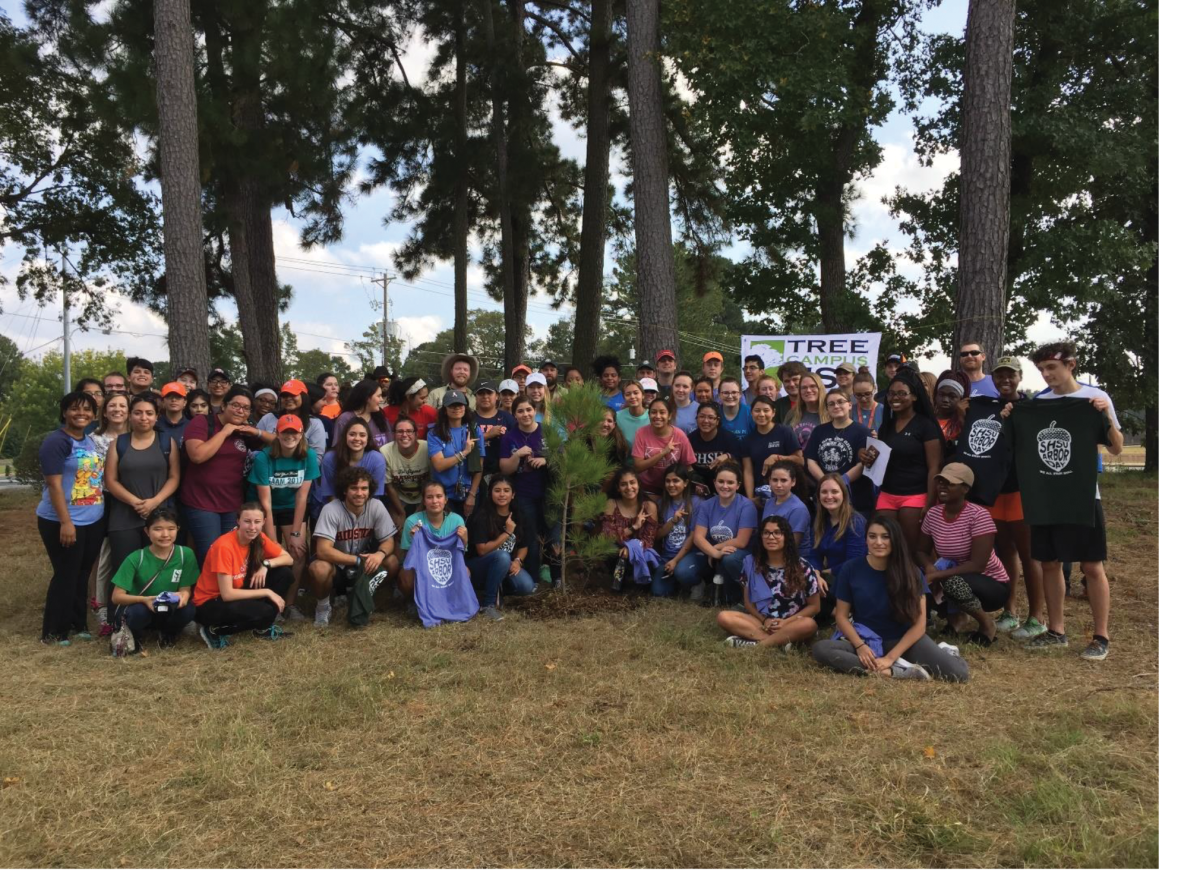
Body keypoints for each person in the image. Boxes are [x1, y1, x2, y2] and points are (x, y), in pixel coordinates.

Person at [1022, 340, 1123, 660]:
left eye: (1051, 367)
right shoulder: (1040, 402)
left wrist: (1104, 415)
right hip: (1046, 498)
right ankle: (1056, 630)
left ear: (1071, 365)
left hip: (1082, 495)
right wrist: (1014, 412)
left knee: (1092, 565)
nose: (1046, 374)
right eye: (1041, 370)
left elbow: (1116, 447)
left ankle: (1101, 636)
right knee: (1049, 563)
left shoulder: (1095, 397)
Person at [812, 515, 969, 682]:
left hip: (904, 640)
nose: (878, 542)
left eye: (885, 537)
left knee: (958, 675)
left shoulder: (911, 572)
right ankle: (896, 671)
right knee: (821, 649)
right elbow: (841, 616)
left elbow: (919, 625)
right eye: (872, 536)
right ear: (865, 539)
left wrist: (891, 657)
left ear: (895, 539)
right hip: (867, 639)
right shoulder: (850, 569)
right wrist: (860, 646)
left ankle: (943, 652)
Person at [915, 463, 1010, 646]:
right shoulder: (933, 514)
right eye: (940, 482)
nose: (942, 486)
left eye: (949, 483)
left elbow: (977, 565)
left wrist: (936, 575)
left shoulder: (978, 515)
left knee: (952, 583)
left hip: (990, 583)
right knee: (917, 576)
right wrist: (929, 567)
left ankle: (987, 626)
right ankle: (955, 620)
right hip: (951, 575)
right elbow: (920, 550)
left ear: (965, 488)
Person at [37, 392, 105, 645]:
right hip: (62, 521)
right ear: (65, 412)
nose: (82, 414)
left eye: (87, 409)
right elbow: (54, 486)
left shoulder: (88, 440)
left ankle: (78, 624)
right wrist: (66, 522)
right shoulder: (56, 441)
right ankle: (54, 631)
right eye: (75, 409)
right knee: (66, 573)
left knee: (82, 573)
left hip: (93, 518)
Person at [986, 356, 1045, 640]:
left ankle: (1037, 617)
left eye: (1010, 375)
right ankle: (1009, 611)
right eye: (999, 376)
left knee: (1029, 553)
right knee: (1005, 550)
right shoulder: (987, 408)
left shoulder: (1032, 407)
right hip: (996, 489)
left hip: (1024, 489)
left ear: (1020, 377)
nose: (1004, 380)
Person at [104, 395, 181, 598]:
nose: (143, 417)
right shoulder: (118, 444)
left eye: (149, 413)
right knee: (123, 569)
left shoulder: (167, 442)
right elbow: (110, 480)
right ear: (130, 416)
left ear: (157, 417)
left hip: (160, 517)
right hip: (124, 517)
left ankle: (160, 615)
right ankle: (119, 620)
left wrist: (155, 502)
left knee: (159, 568)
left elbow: (174, 477)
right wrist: (135, 502)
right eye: (138, 413)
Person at [861, 369, 943, 555]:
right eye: (891, 393)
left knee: (912, 551)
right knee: (886, 549)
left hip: (915, 495)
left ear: (914, 397)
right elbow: (876, 459)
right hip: (888, 494)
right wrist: (864, 455)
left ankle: (917, 584)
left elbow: (934, 467)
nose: (894, 398)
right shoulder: (886, 426)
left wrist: (929, 504)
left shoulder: (925, 426)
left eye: (901, 393)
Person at [181, 385, 265, 565]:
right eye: (235, 405)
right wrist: (226, 431)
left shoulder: (244, 431)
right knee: (211, 553)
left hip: (232, 504)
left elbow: (283, 444)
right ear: (224, 406)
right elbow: (197, 456)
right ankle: (208, 593)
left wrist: (256, 432)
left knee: (231, 552)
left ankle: (227, 593)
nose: (240, 410)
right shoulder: (202, 422)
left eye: (245, 408)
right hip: (201, 502)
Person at [192, 501, 294, 649]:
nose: (252, 527)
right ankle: (213, 630)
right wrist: (267, 591)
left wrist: (266, 565)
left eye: (257, 522)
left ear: (264, 522)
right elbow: (227, 594)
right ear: (238, 521)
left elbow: (288, 558)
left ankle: (262, 628)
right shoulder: (224, 546)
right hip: (210, 603)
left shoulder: (258, 538)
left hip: (238, 588)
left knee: (285, 574)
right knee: (265, 612)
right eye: (247, 521)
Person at [308, 466, 400, 627]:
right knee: (318, 568)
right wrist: (357, 560)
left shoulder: (376, 506)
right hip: (337, 567)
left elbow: (389, 541)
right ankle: (323, 607)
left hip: (364, 566)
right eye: (354, 488)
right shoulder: (331, 509)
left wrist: (379, 554)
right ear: (344, 490)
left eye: (364, 488)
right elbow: (322, 550)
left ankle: (362, 595)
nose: (359, 493)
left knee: (391, 562)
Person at [248, 413, 319, 621]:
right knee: (269, 554)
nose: (290, 436)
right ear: (277, 434)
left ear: (301, 435)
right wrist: (273, 543)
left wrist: (297, 533)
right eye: (285, 432)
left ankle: (290, 604)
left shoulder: (309, 456)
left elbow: (302, 497)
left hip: (290, 505)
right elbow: (265, 504)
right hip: (264, 508)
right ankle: (270, 603)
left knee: (298, 552)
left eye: (294, 432)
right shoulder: (264, 457)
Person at [717, 516, 821, 650]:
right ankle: (779, 643)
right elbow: (749, 604)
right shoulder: (751, 564)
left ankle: (757, 646)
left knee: (809, 624)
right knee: (724, 617)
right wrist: (765, 620)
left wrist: (785, 623)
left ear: (786, 537)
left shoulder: (803, 567)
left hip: (792, 622)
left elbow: (814, 607)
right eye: (766, 533)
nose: (771, 537)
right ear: (760, 537)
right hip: (762, 621)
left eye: (777, 532)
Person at [109, 508, 198, 651]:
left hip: (167, 608)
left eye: (171, 529)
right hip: (142, 607)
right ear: (147, 531)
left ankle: (168, 633)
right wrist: (144, 599)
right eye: (158, 529)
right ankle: (136, 636)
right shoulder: (136, 558)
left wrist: (183, 597)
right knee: (138, 612)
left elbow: (185, 590)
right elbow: (116, 597)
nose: (165, 535)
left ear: (178, 530)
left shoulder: (185, 554)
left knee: (188, 609)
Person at [500, 396, 555, 584]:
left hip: (549, 492)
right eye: (520, 411)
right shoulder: (510, 437)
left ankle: (556, 577)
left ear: (535, 410)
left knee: (552, 535)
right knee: (530, 536)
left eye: (529, 410)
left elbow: (563, 457)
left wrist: (545, 460)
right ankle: (533, 578)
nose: (525, 414)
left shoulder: (547, 431)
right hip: (523, 493)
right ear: (514, 414)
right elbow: (505, 469)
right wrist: (517, 455)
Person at [467, 475, 537, 620]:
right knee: (503, 556)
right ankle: (488, 605)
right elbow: (482, 550)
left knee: (526, 586)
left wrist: (518, 561)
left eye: (506, 490)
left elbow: (524, 546)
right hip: (478, 567)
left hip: (504, 567)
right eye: (497, 490)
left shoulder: (519, 515)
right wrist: (506, 533)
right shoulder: (482, 516)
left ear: (513, 495)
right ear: (490, 493)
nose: (502, 494)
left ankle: (497, 587)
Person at [690, 462, 758, 603]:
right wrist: (715, 554)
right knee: (685, 571)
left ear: (738, 485)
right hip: (717, 554)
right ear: (714, 483)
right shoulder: (706, 505)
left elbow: (741, 541)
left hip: (742, 554)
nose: (725, 486)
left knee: (730, 558)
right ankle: (713, 588)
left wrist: (716, 548)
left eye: (730, 482)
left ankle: (749, 595)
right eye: (721, 481)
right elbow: (698, 537)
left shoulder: (746, 506)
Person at [809, 474, 868, 622]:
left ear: (844, 494)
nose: (829, 496)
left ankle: (839, 614)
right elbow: (814, 554)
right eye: (824, 492)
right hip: (829, 578)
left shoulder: (855, 522)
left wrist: (825, 573)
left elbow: (854, 562)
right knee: (803, 583)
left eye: (834, 491)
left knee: (807, 590)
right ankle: (837, 613)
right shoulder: (821, 520)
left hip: (851, 578)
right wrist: (815, 574)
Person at [397, 481, 469, 602]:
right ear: (424, 501)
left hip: (445, 567)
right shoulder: (412, 521)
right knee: (406, 577)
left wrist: (465, 541)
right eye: (429, 497)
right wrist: (416, 542)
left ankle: (449, 602)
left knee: (466, 572)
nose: (434, 501)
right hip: (420, 566)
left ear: (445, 499)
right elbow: (407, 559)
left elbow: (460, 556)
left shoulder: (457, 520)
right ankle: (414, 602)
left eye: (439, 496)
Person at [804, 388, 873, 513]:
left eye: (840, 402)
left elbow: (861, 465)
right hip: (826, 497)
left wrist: (840, 482)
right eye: (831, 404)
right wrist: (826, 483)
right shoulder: (819, 430)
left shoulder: (862, 431)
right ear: (827, 409)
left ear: (849, 405)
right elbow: (811, 461)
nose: (836, 406)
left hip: (855, 498)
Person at [650, 464, 705, 598]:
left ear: (686, 483)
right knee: (658, 592)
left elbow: (694, 536)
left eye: (676, 481)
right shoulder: (661, 503)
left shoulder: (696, 503)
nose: (671, 484)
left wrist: (676, 560)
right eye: (668, 481)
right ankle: (676, 583)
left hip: (689, 554)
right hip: (667, 555)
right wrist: (673, 521)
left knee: (683, 572)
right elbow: (656, 535)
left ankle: (697, 583)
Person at [600, 469, 659, 592]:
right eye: (623, 484)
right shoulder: (611, 504)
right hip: (617, 550)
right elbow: (608, 535)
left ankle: (640, 585)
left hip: (641, 549)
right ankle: (617, 586)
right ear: (618, 488)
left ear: (638, 484)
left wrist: (630, 548)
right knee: (613, 551)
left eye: (632, 482)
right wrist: (634, 528)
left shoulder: (649, 506)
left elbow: (649, 539)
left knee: (647, 555)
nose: (629, 487)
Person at [427, 390, 482, 517]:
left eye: (460, 405)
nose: (456, 408)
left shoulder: (474, 430)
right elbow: (439, 465)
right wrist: (464, 452)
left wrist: (472, 495)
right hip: (444, 496)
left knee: (469, 532)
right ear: (445, 409)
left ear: (465, 407)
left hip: (469, 492)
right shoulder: (435, 433)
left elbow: (480, 466)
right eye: (452, 405)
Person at [742, 395, 803, 504]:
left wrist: (777, 458)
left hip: (786, 494)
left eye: (766, 410)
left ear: (773, 412)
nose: (761, 414)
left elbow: (800, 460)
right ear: (751, 413)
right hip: (761, 495)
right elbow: (748, 471)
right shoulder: (748, 440)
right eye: (757, 410)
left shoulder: (785, 432)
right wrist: (750, 498)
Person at [632, 397, 696, 498]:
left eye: (662, 412)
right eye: (653, 412)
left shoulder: (679, 435)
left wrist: (696, 485)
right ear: (649, 415)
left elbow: (688, 466)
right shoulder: (641, 433)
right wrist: (663, 452)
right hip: (648, 487)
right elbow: (638, 467)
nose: (658, 416)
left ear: (669, 415)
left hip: (673, 489)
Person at [315, 416, 387, 506]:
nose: (357, 438)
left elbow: (374, 496)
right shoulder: (330, 458)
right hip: (335, 506)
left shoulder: (377, 459)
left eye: (362, 435)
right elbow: (330, 494)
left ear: (368, 439)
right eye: (352, 434)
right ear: (345, 436)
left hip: (367, 507)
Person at [256, 379, 328, 457]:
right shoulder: (269, 418)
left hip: (301, 467)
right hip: (269, 466)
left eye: (293, 395)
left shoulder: (314, 423)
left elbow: (317, 457)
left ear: (303, 396)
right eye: (284, 396)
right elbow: (255, 447)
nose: (288, 398)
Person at [379, 416, 431, 522]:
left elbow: (432, 482)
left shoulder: (427, 448)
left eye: (409, 431)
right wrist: (401, 513)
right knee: (397, 527)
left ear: (416, 434)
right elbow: (389, 486)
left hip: (425, 497)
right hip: (399, 498)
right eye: (400, 431)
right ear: (394, 435)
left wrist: (419, 510)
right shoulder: (386, 451)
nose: (404, 435)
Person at [761, 462, 814, 563]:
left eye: (783, 480)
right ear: (769, 481)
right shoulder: (769, 502)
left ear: (793, 482)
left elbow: (792, 545)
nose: (778, 485)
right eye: (775, 480)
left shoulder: (798, 509)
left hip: (794, 561)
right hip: (770, 553)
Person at [689, 402, 741, 494]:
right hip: (698, 488)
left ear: (717, 421)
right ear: (696, 419)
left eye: (710, 417)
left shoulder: (729, 438)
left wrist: (728, 456)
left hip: (724, 487)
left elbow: (739, 461)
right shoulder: (690, 439)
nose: (705, 421)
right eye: (702, 416)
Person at [332, 379, 390, 449]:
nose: (381, 399)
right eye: (379, 396)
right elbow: (338, 449)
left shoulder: (381, 419)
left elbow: (390, 447)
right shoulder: (345, 419)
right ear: (367, 398)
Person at [784, 372, 828, 450]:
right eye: (804, 387)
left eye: (813, 386)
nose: (808, 390)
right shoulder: (792, 414)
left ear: (820, 388)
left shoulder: (830, 413)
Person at [933, 369, 971, 454]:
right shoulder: (927, 419)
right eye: (941, 395)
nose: (945, 400)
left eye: (952, 396)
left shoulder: (967, 421)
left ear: (962, 399)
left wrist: (961, 418)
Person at [156, 382, 190, 453]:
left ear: (185, 402)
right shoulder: (155, 426)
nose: (174, 400)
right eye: (169, 396)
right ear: (163, 402)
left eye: (178, 397)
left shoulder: (191, 426)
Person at [615, 379, 650, 446]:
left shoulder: (651, 415)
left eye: (636, 393)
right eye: (628, 394)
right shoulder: (618, 417)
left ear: (643, 395)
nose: (632, 397)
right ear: (624, 397)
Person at [595, 406, 630, 471]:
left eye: (609, 421)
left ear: (614, 425)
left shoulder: (618, 444)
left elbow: (618, 470)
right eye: (601, 420)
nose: (605, 424)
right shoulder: (583, 438)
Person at [851, 368, 884, 433]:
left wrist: (879, 438)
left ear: (874, 388)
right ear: (853, 391)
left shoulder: (884, 410)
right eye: (858, 395)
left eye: (867, 394)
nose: (863, 398)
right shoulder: (850, 411)